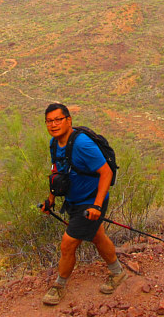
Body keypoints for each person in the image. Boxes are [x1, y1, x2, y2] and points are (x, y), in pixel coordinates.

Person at [40, 103, 126, 305]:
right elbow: (56, 171)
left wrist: (96, 206)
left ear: (69, 120)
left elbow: (107, 172)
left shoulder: (82, 144)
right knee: (97, 236)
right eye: (49, 121)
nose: (54, 124)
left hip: (91, 201)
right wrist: (50, 200)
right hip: (74, 200)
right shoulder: (54, 143)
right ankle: (118, 272)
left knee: (68, 243)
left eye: (58, 120)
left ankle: (59, 286)